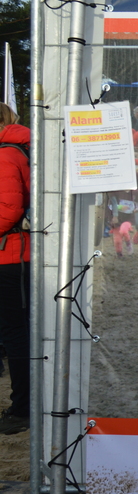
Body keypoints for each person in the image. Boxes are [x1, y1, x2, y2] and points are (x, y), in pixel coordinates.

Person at [0, 105, 31, 435]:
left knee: (15, 334)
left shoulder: (6, 154)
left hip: (10, 255)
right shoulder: (16, 148)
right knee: (15, 331)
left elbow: (8, 209)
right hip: (12, 252)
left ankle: (22, 408)